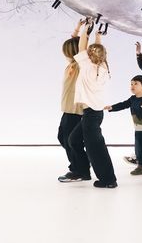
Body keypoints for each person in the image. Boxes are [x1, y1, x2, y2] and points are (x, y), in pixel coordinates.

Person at [73, 17, 118, 189]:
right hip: (94, 114)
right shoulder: (104, 67)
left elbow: (81, 46)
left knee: (96, 149)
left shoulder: (87, 67)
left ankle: (108, 180)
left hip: (91, 115)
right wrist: (98, 36)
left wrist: (87, 29)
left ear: (90, 56)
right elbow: (98, 51)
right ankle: (85, 169)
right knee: (73, 140)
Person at [105, 75, 142, 175]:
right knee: (139, 151)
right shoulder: (132, 99)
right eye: (131, 84)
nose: (132, 86)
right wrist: (112, 107)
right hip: (138, 131)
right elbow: (123, 104)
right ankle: (141, 167)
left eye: (135, 84)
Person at [56, 22, 89, 183]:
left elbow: (81, 47)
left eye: (66, 52)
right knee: (62, 137)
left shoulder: (80, 64)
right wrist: (77, 29)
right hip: (67, 109)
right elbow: (75, 42)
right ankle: (80, 166)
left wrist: (85, 31)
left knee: (70, 141)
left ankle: (79, 170)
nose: (64, 54)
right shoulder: (71, 64)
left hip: (75, 110)